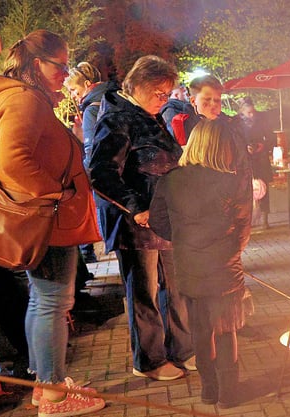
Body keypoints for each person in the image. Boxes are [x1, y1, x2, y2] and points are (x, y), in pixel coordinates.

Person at [0, 29, 105, 417]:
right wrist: (55, 193)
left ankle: (45, 383)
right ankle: (53, 392)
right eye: (60, 65)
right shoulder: (23, 100)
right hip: (46, 217)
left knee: (42, 299)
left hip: (37, 216)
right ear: (37, 64)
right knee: (53, 300)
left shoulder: (9, 97)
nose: (65, 74)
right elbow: (14, 160)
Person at [89, 55, 194, 381]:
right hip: (138, 226)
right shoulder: (117, 119)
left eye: (167, 94)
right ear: (138, 86)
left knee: (175, 287)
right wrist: (136, 207)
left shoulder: (147, 115)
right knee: (144, 293)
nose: (164, 100)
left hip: (164, 220)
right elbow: (101, 172)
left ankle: (183, 349)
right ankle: (149, 360)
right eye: (160, 93)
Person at [150, 120, 252, 407]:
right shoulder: (231, 181)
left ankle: (209, 390)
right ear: (222, 148)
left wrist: (183, 238)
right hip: (222, 266)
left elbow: (158, 220)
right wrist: (233, 250)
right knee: (225, 329)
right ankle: (229, 393)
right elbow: (243, 226)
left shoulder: (170, 179)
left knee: (200, 330)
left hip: (188, 265)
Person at [65, 62, 119, 257]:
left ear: (87, 84)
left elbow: (91, 149)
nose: (72, 95)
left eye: (73, 89)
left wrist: (85, 177)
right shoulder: (115, 98)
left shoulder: (92, 109)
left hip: (106, 179)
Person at [235, 99, 273, 228]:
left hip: (260, 159)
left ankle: (265, 218)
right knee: (245, 189)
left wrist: (262, 145)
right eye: (249, 112)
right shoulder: (236, 123)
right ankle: (248, 219)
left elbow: (270, 138)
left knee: (263, 188)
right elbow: (233, 140)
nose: (252, 115)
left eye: (253, 112)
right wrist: (244, 148)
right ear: (242, 111)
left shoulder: (261, 120)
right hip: (244, 160)